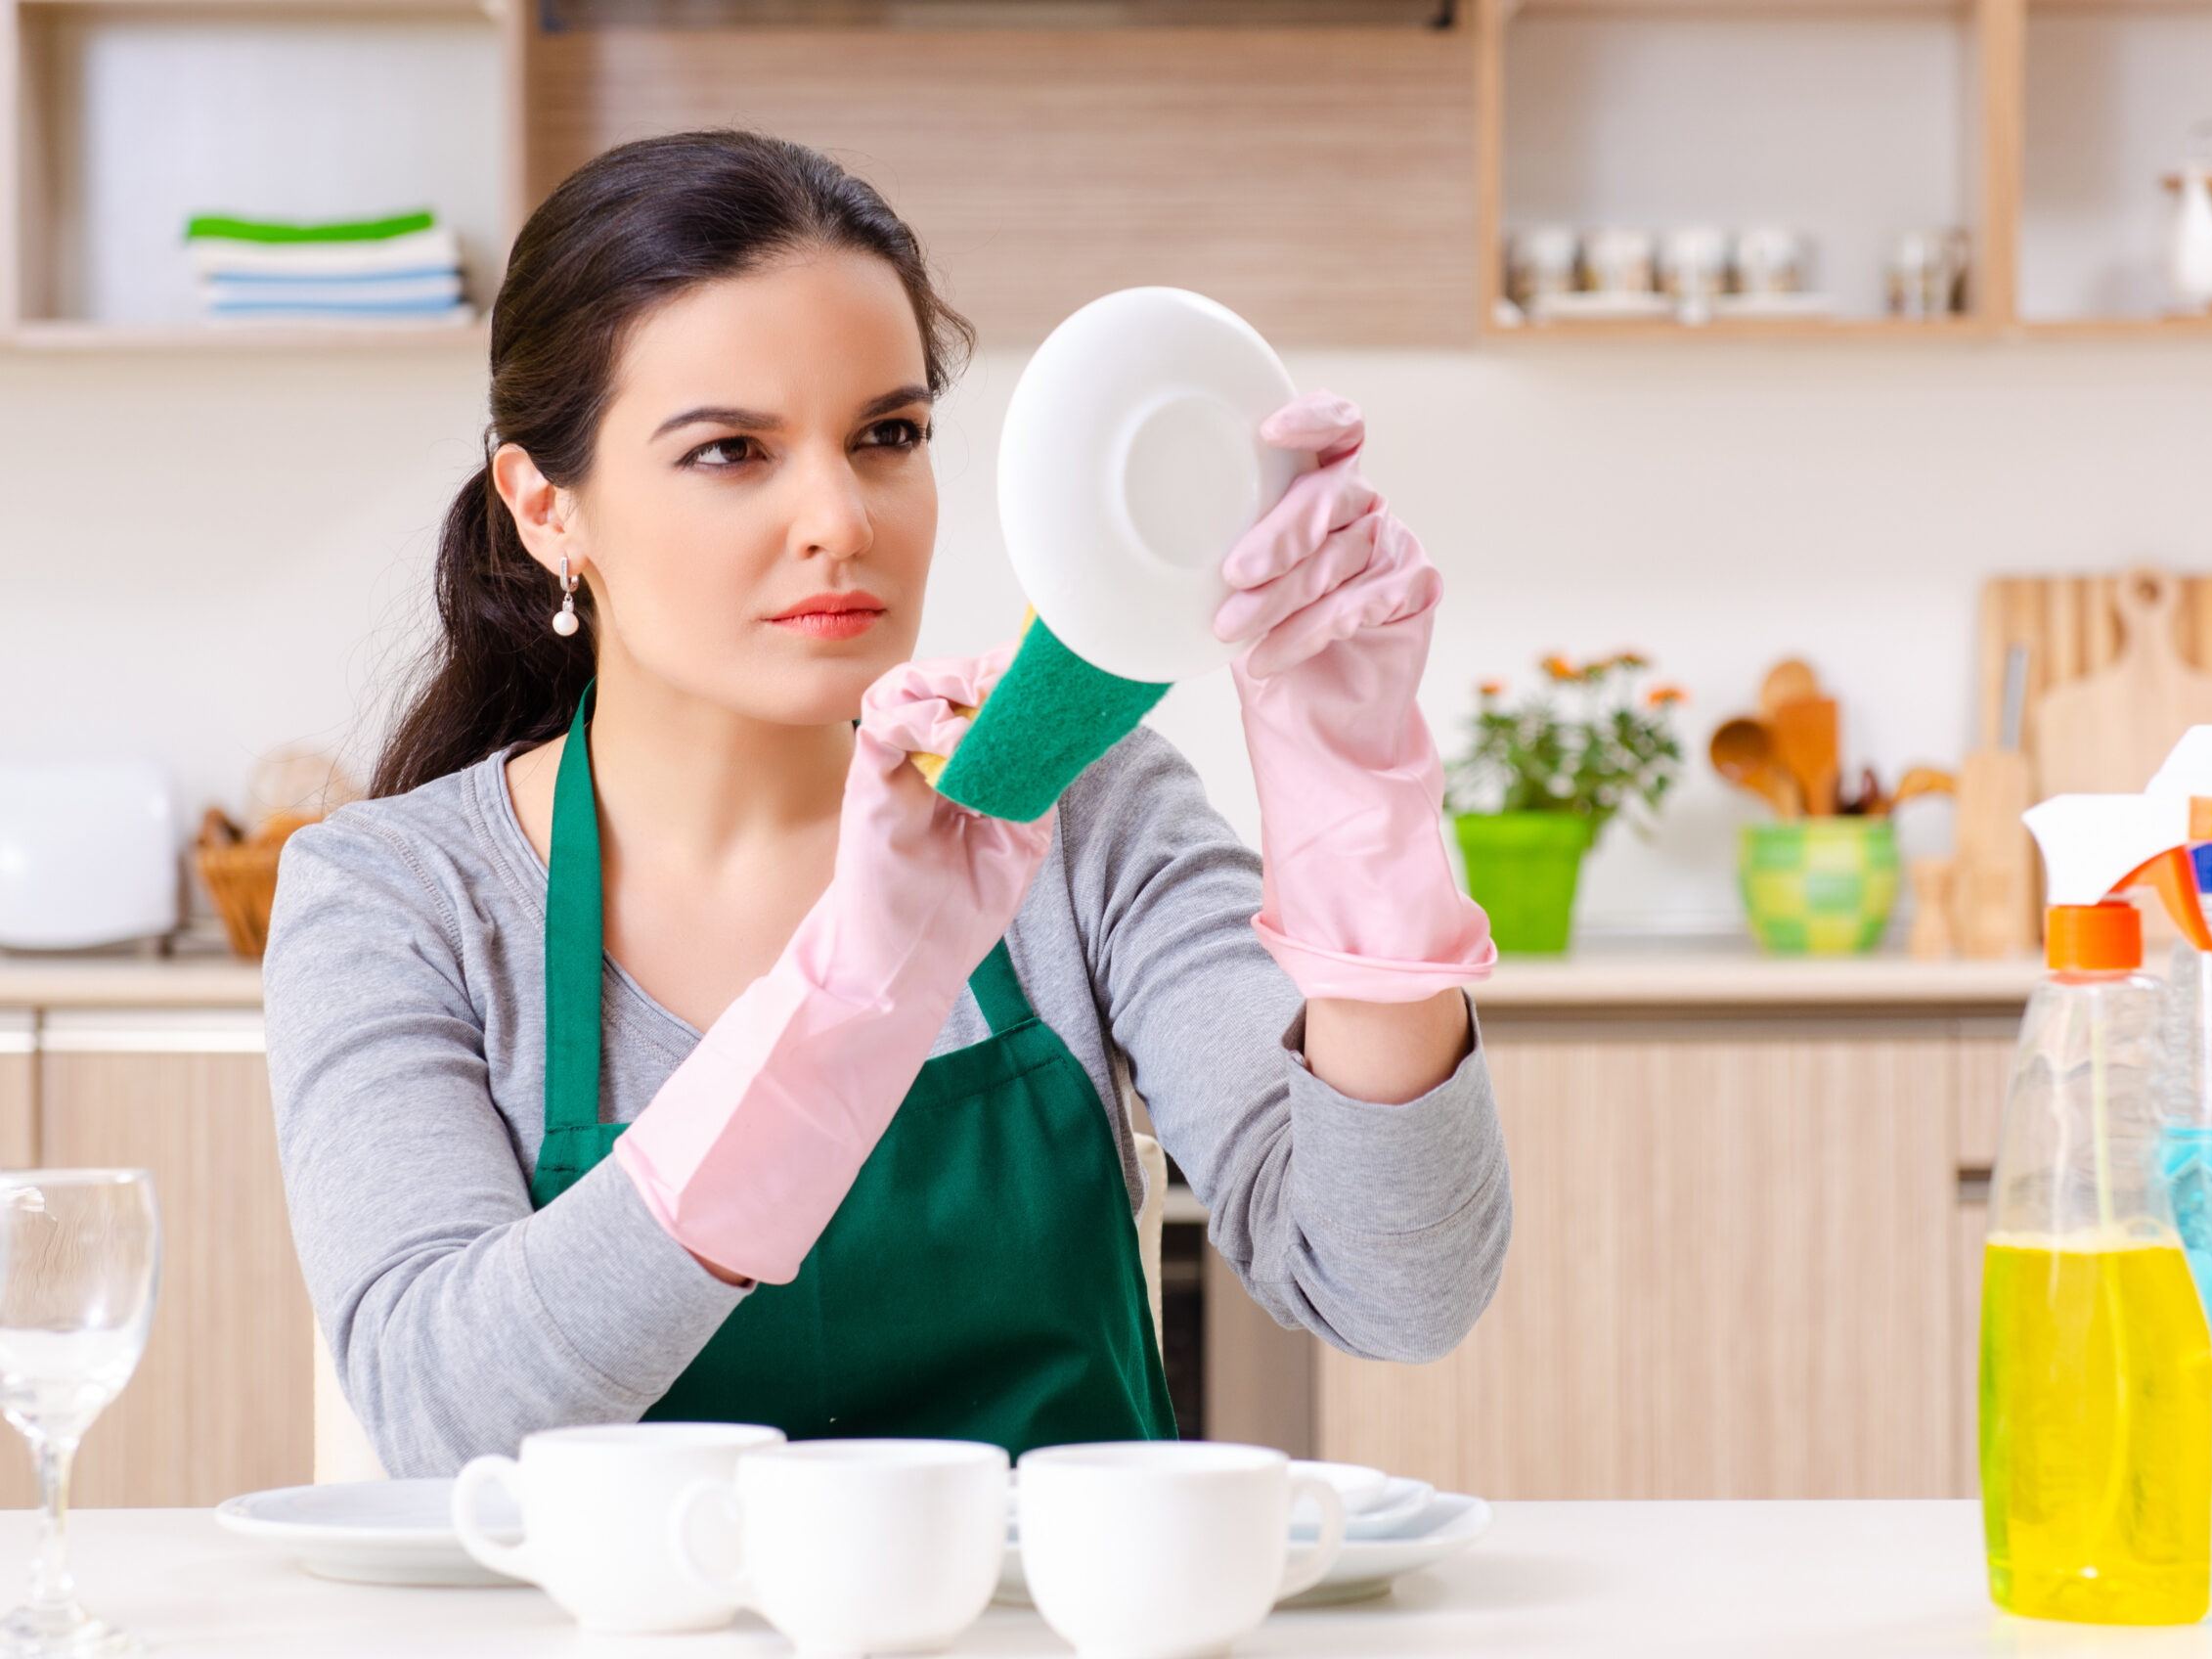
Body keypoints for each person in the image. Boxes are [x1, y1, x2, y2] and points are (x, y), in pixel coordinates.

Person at [263, 129, 1506, 1476]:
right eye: (732, 450)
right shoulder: (396, 899)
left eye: (887, 435)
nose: (842, 519)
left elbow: (1395, 1290)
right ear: (546, 506)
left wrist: (1357, 801)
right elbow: (444, 1414)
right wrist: (845, 1011)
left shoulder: (1077, 814)